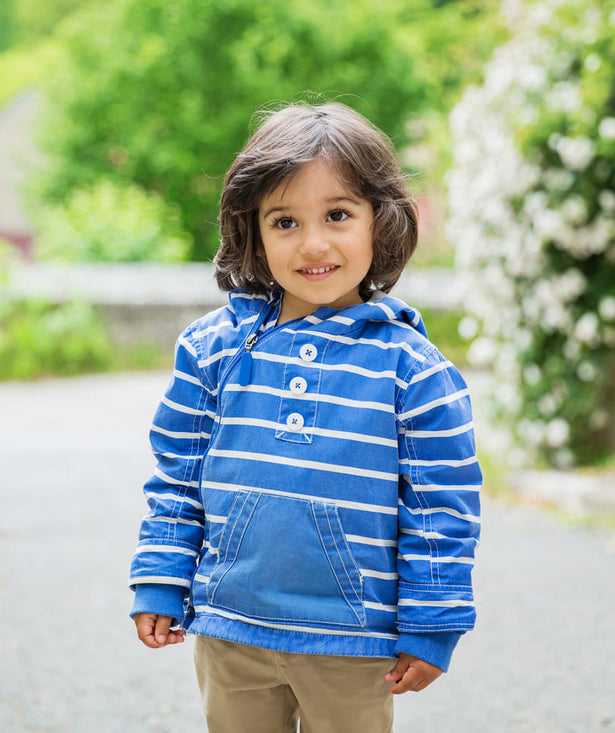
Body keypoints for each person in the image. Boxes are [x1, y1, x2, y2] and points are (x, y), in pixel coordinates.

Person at [128, 101, 481, 733]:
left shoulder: (413, 371)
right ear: (253, 232)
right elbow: (178, 476)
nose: (313, 243)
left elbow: (443, 508)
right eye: (284, 220)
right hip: (230, 628)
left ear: (382, 221)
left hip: (352, 644)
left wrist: (434, 623)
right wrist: (161, 575)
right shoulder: (212, 350)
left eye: (339, 215)